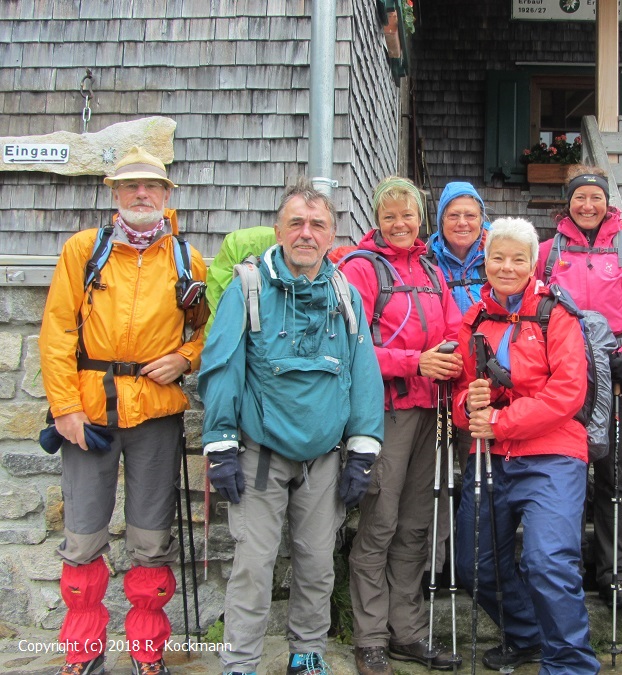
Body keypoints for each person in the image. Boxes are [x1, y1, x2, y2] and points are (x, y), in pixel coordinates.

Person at [198, 178, 384, 675]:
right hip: (260, 455)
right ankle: (240, 662)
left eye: (317, 224)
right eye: (296, 223)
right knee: (254, 567)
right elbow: (222, 367)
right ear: (278, 230)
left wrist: (363, 450)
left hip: (323, 458)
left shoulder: (345, 294)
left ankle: (308, 654)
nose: (306, 233)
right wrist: (219, 444)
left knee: (318, 564)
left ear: (332, 234)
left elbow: (363, 372)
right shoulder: (248, 286)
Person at [38, 147, 208, 675]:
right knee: (84, 536)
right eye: (131, 186)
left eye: (150, 187)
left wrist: (184, 358)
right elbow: (58, 330)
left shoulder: (187, 259)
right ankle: (83, 652)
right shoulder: (84, 251)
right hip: (89, 413)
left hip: (155, 412)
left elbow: (205, 330)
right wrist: (64, 407)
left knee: (150, 541)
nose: (141, 195)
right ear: (115, 193)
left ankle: (146, 649)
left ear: (165, 196)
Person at [453, 217, 600, 674]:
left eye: (519, 258)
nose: (507, 266)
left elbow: (568, 393)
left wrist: (500, 422)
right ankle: (528, 636)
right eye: (498, 257)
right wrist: (469, 404)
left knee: (547, 561)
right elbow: (462, 399)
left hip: (553, 454)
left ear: (534, 263)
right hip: (491, 459)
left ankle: (571, 665)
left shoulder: (556, 315)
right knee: (474, 564)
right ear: (485, 260)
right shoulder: (475, 319)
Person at [342, 176, 463, 675]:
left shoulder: (433, 271)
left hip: (432, 412)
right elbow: (350, 345)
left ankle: (406, 632)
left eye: (408, 215)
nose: (399, 224)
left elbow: (456, 328)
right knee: (380, 523)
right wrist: (417, 362)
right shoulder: (361, 269)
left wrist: (456, 360)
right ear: (377, 218)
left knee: (416, 525)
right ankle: (369, 637)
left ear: (421, 220)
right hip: (384, 412)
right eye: (389, 215)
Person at [536, 166, 622, 608]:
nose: (588, 205)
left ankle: (615, 575)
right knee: (564, 473)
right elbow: (536, 310)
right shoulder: (549, 252)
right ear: (567, 203)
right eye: (579, 198)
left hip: (620, 370)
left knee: (613, 475)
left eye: (596, 197)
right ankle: (562, 571)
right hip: (565, 375)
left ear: (608, 202)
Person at [427, 181, 491, 472]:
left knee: (475, 461)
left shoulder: (496, 257)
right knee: (433, 468)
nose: (462, 223)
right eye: (453, 216)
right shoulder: (425, 260)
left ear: (482, 219)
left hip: (483, 377)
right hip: (438, 375)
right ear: (441, 221)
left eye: (470, 215)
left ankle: (473, 517)